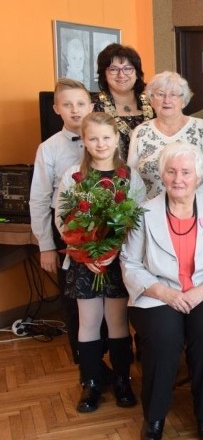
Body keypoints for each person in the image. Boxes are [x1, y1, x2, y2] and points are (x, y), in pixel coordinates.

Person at [121, 142, 203, 440]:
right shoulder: (143, 212)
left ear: (198, 176)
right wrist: (168, 294)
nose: (178, 178)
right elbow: (129, 263)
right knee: (164, 338)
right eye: (171, 171)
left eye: (186, 172)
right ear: (162, 175)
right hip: (157, 293)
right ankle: (154, 416)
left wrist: (199, 293)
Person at [55, 112, 146, 414]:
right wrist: (87, 252)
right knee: (89, 322)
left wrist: (112, 251)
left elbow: (137, 221)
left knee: (119, 322)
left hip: (119, 262)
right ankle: (91, 382)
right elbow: (63, 218)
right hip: (86, 262)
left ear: (116, 139)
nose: (100, 143)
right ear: (84, 141)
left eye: (106, 137)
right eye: (93, 138)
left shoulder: (130, 177)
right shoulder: (73, 176)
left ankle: (122, 379)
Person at [31, 79, 93, 364]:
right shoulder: (49, 148)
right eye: (67, 105)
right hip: (65, 231)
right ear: (56, 109)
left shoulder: (108, 139)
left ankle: (113, 360)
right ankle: (85, 363)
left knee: (107, 296)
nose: (75, 110)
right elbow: (40, 199)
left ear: (91, 106)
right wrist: (45, 245)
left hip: (107, 229)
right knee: (73, 299)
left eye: (80, 103)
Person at [127, 71, 203, 200]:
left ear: (184, 101)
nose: (166, 100)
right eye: (160, 94)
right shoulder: (141, 131)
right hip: (149, 210)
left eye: (174, 95)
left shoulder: (201, 127)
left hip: (193, 208)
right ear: (151, 100)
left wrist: (193, 199)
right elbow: (132, 175)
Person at [93, 43, 154, 160]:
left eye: (128, 68)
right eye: (114, 69)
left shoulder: (154, 103)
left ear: (137, 73)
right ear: (104, 75)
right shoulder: (93, 106)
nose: (121, 75)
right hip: (110, 175)